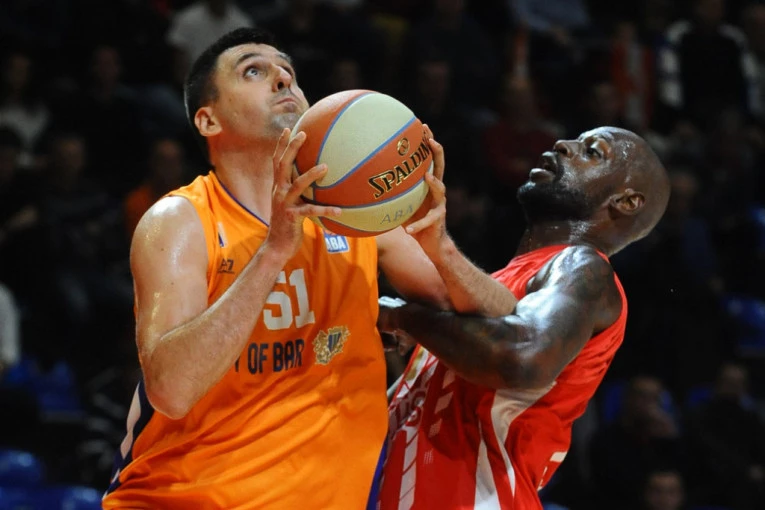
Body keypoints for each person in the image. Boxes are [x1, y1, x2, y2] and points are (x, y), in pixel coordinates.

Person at [102, 27, 498, 509]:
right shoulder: (180, 221)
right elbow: (172, 391)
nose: (282, 79)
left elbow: (497, 319)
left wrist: (441, 248)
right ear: (208, 120)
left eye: (288, 71)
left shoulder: (353, 216)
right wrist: (273, 252)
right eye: (253, 71)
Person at [378, 126, 671, 509]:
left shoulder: (583, 267)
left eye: (592, 152)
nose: (562, 145)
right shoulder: (499, 289)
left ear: (626, 202)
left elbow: (521, 358)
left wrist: (403, 317)